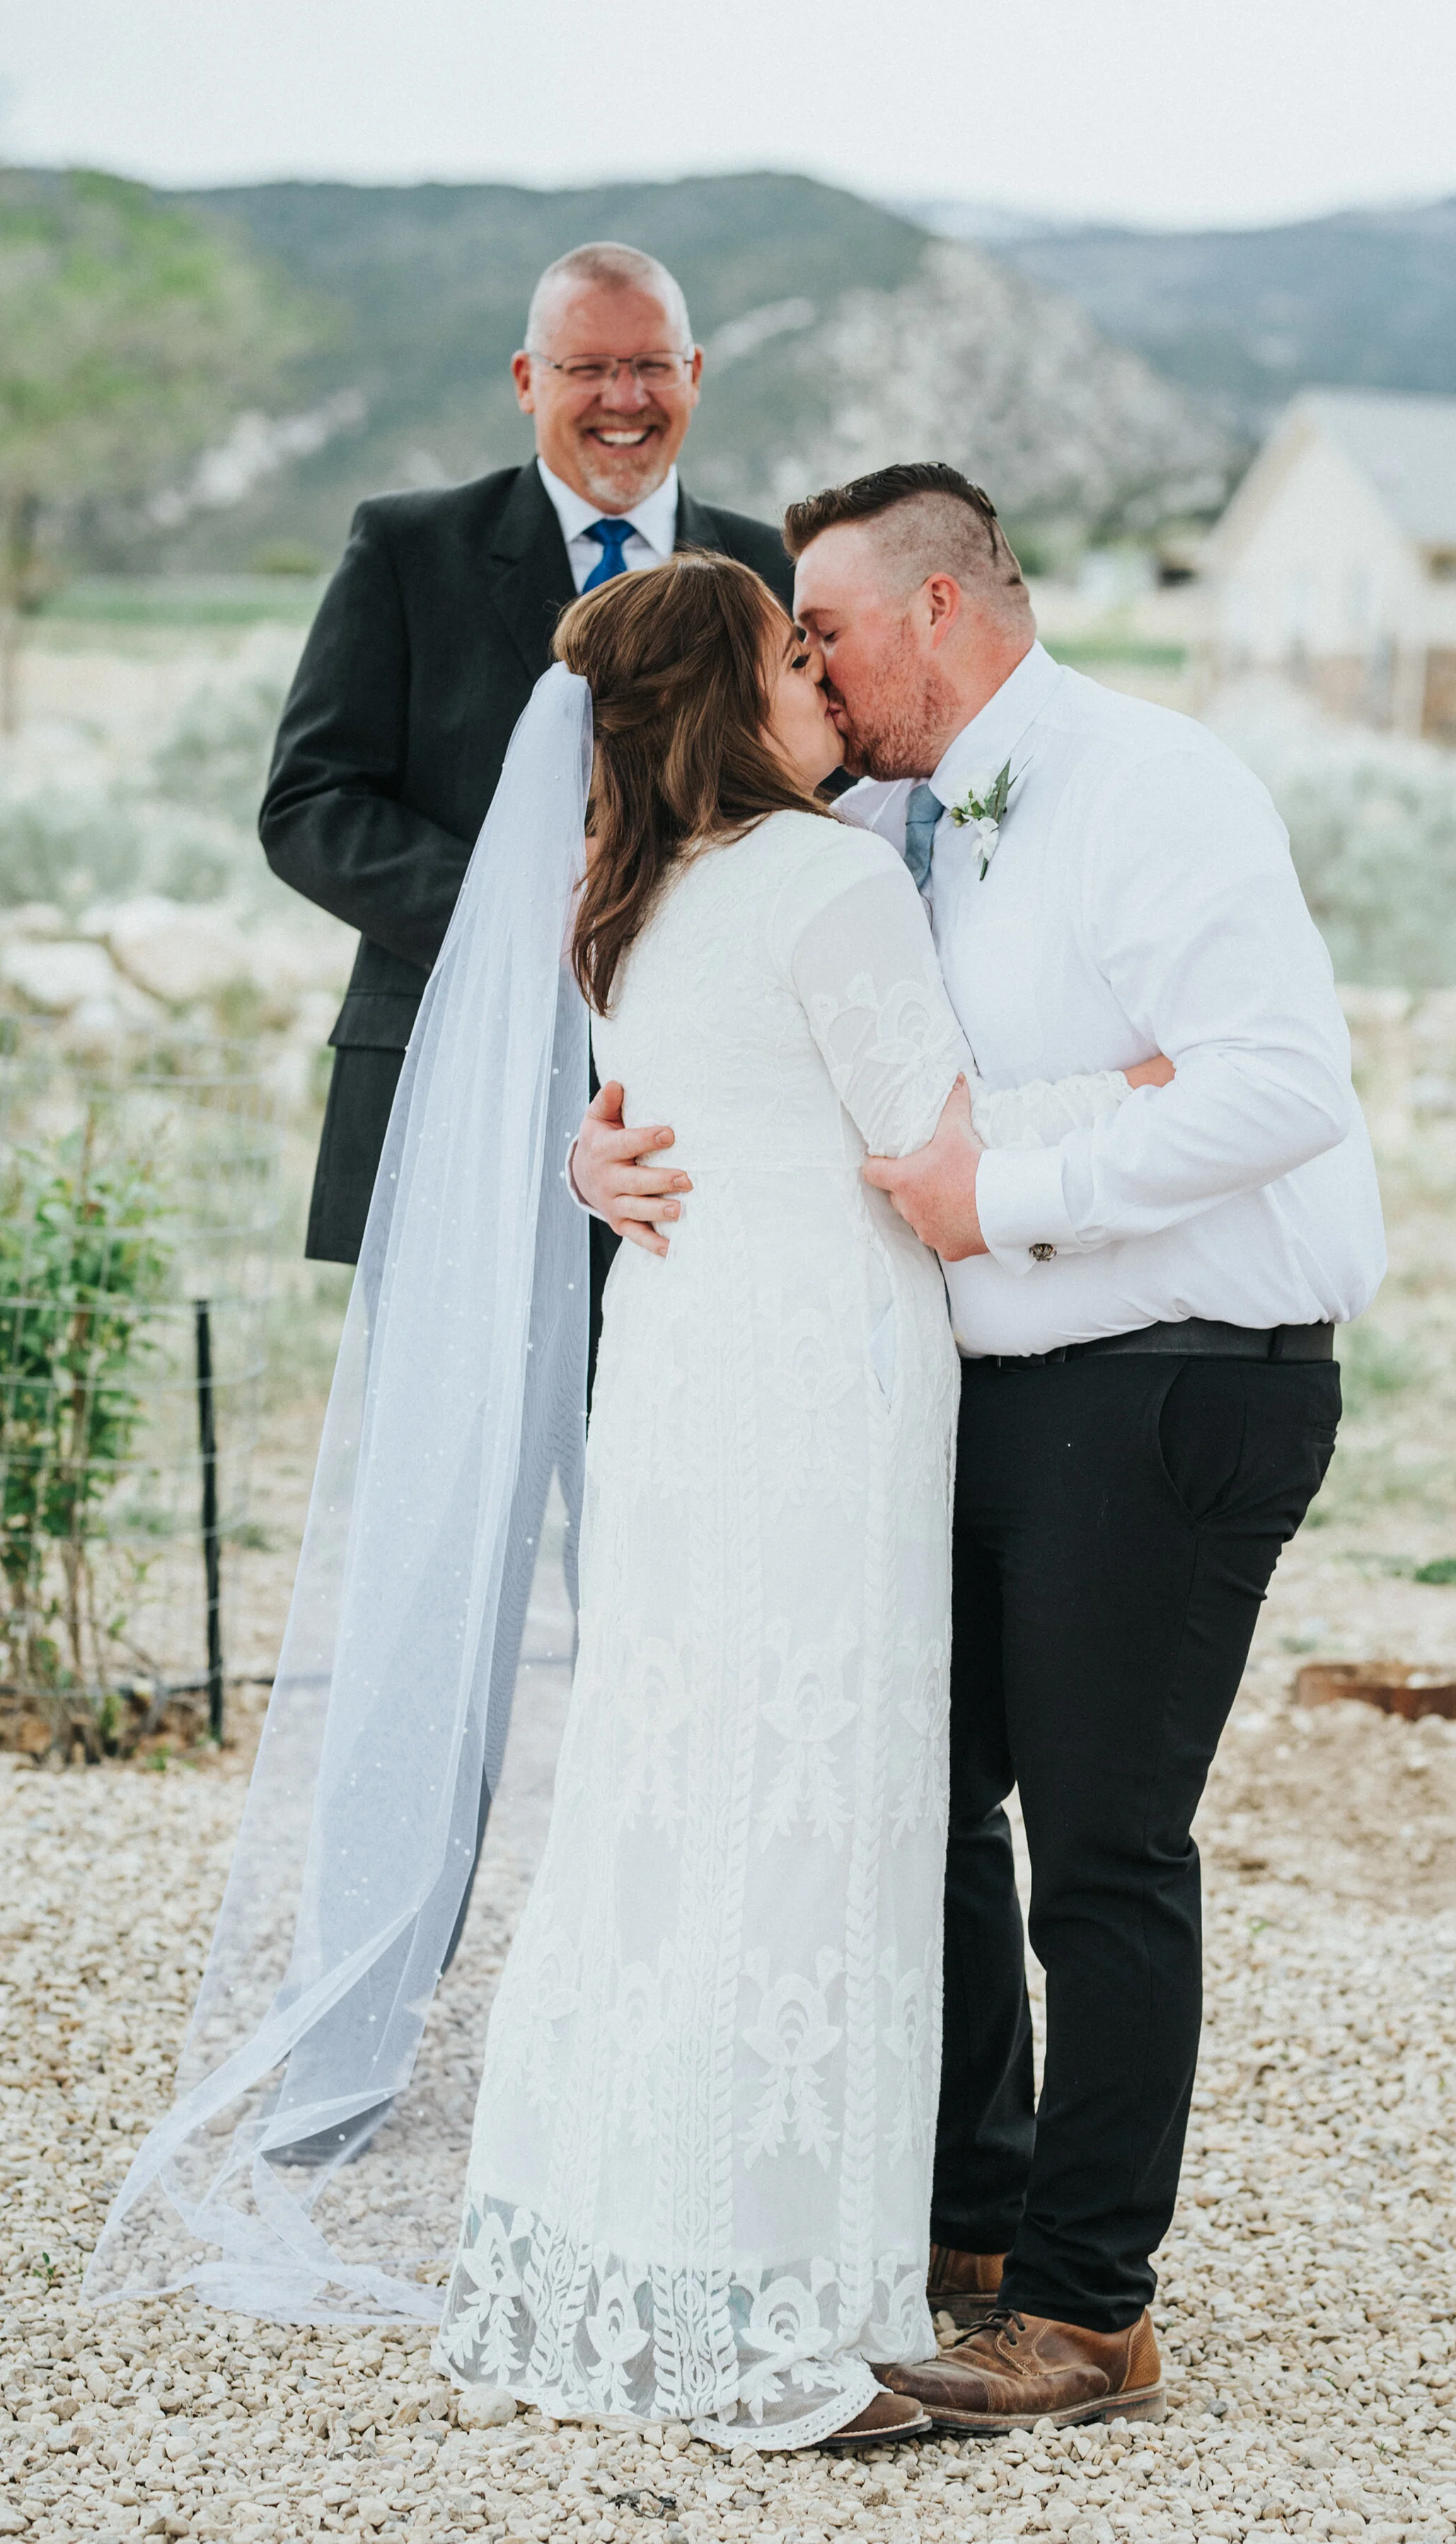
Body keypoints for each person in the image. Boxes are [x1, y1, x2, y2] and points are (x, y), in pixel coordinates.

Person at [572, 463, 1387, 2434]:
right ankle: (975, 2215)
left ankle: (1091, 2304)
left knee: (1100, 1851)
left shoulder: (1155, 783)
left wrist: (1011, 1182)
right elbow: (790, 1053)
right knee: (918, 1802)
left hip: (1173, 1373)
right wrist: (610, 1151)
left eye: (827, 630)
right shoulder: (874, 818)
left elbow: (1278, 1083)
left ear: (937, 612)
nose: (815, 674)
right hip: (975, 1392)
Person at [431, 553, 1152, 2450]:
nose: (821, 678)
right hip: (819, 1378)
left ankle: (616, 2246)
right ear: (725, 702)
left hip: (677, 1377)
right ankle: (774, 2310)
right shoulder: (830, 880)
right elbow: (934, 1140)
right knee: (809, 1803)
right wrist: (1139, 1081)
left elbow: (702, 1105)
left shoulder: (628, 897)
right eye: (788, 654)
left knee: (677, 1792)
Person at [261, 237, 792, 1282]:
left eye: (648, 365)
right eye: (587, 368)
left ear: (695, 373)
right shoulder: (408, 550)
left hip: (693, 1113)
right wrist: (520, 910)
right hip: (451, 1081)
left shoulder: (772, 568)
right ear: (525, 380)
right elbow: (310, 805)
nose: (622, 398)